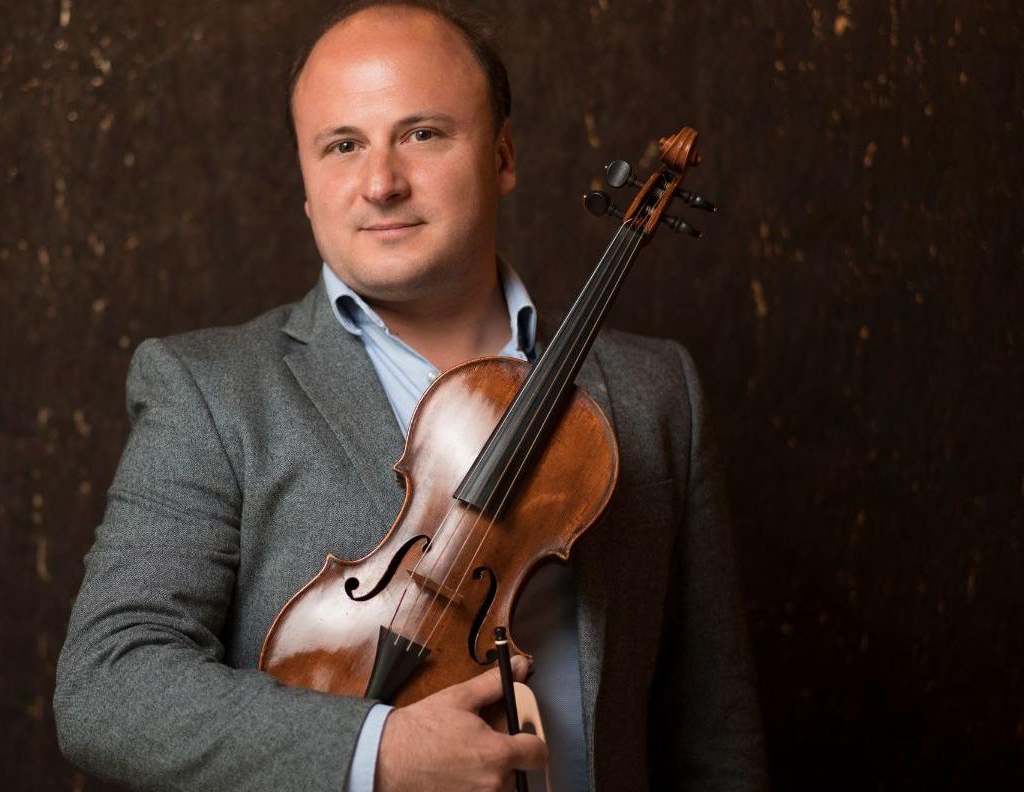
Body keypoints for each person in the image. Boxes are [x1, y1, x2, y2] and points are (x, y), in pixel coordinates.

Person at [54, 2, 768, 790]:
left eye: (422, 133)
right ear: (305, 182)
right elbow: (109, 683)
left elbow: (714, 733)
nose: (381, 182)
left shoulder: (654, 391)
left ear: (501, 156)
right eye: (342, 145)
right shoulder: (211, 390)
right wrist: (377, 750)